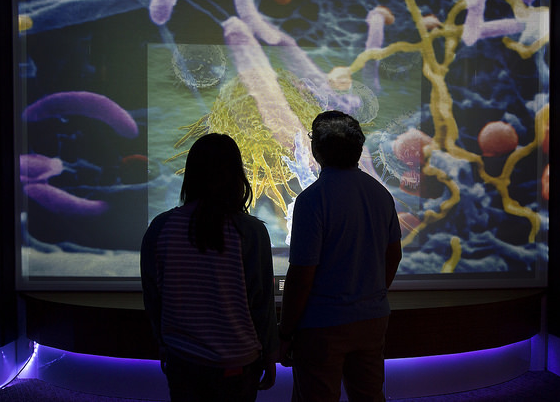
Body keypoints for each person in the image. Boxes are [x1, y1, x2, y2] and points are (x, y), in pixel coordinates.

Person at [140, 133, 278, 401]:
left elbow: (154, 297)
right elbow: (261, 303)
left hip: (182, 358)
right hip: (238, 361)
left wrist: (163, 343)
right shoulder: (251, 231)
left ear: (190, 174)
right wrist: (271, 353)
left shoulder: (161, 228)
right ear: (236, 175)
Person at [278, 110, 403, 402]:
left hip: (322, 325)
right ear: (359, 149)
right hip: (372, 319)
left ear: (316, 149)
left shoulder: (311, 201)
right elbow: (393, 255)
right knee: (370, 395)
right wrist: (372, 293)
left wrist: (285, 331)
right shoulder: (381, 195)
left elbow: (301, 275)